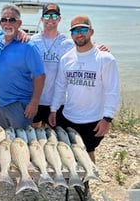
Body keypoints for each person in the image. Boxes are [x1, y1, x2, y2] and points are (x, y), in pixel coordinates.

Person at [48, 15, 120, 163]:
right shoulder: (66, 59)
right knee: (66, 151)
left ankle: (86, 184)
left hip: (93, 120)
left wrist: (107, 118)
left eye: (83, 29)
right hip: (68, 115)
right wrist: (54, 109)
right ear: (71, 35)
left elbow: (112, 90)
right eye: (75, 30)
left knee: (88, 152)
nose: (79, 33)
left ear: (91, 31)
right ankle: (70, 183)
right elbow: (60, 86)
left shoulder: (105, 59)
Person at [0, 3, 45, 128]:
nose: (8, 23)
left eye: (12, 20)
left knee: (20, 144)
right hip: (0, 104)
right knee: (2, 142)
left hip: (20, 105)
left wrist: (34, 102)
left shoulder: (28, 46)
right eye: (4, 20)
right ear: (0, 23)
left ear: (19, 23)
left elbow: (40, 76)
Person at [31, 3, 74, 128]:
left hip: (57, 101)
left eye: (54, 16)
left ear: (59, 19)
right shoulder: (32, 41)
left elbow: (85, 50)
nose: (50, 19)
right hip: (35, 99)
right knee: (32, 135)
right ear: (41, 19)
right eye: (47, 16)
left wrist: (99, 49)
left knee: (54, 138)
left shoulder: (68, 43)